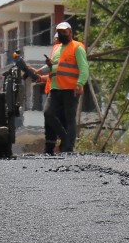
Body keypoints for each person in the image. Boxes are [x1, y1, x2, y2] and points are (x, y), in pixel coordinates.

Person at [30, 21, 89, 155]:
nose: (62, 34)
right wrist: (38, 71)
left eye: (64, 31)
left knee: (69, 118)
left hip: (70, 88)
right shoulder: (57, 49)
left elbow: (84, 68)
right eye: (60, 31)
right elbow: (53, 67)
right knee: (48, 113)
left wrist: (80, 83)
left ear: (70, 32)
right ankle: (66, 138)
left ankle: (68, 147)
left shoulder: (77, 47)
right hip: (55, 88)